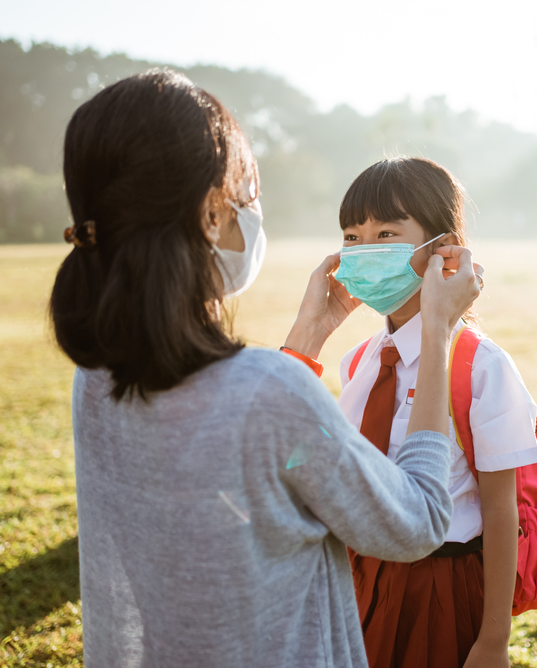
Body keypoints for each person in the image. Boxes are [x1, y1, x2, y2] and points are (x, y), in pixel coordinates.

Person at [48, 70, 481, 667]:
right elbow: (417, 520)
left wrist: (308, 336)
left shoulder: (96, 380)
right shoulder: (269, 393)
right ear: (209, 214)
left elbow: (247, 461)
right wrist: (437, 332)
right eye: (247, 191)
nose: (255, 208)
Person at [332, 157, 537, 668]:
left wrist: (494, 641)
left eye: (386, 233)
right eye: (352, 237)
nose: (364, 252)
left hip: (440, 586)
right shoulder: (357, 361)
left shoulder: (481, 366)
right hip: (359, 581)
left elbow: (499, 510)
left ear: (440, 248)